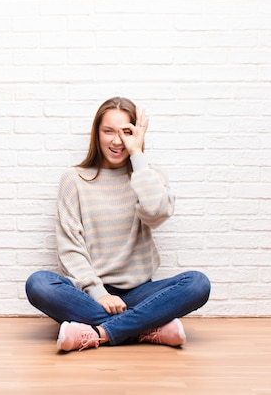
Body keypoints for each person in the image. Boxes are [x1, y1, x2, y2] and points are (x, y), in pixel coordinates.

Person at [25, 97, 211, 352]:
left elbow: (156, 212)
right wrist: (99, 293)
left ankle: (100, 333)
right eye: (108, 131)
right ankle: (145, 327)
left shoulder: (148, 175)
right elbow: (70, 248)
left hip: (140, 294)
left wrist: (137, 155)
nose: (116, 140)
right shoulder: (74, 179)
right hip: (90, 295)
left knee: (198, 283)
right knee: (39, 284)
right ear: (96, 134)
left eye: (126, 132)